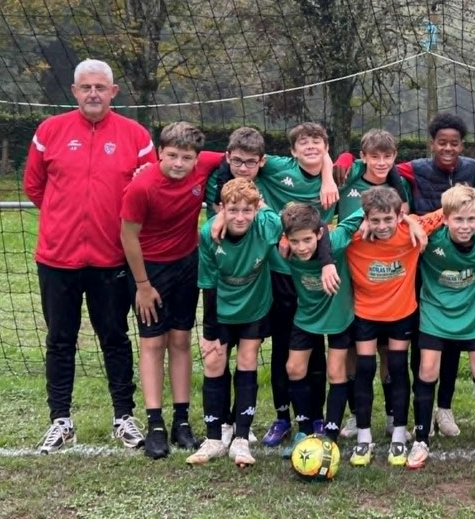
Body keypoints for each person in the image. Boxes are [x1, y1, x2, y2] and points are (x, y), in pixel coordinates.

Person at [334, 113, 475, 438]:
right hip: (417, 257)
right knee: (419, 343)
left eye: (454, 143)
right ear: (431, 143)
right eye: (441, 142)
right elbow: (380, 166)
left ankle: (443, 408)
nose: (448, 148)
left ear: (462, 145)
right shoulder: (412, 169)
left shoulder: (470, 169)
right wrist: (347, 158)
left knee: (449, 342)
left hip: (446, 248)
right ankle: (375, 415)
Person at [24, 59, 154, 454]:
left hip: (111, 259)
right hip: (57, 258)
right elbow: (34, 186)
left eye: (100, 87)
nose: (93, 93)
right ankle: (60, 421)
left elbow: (149, 191)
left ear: (113, 92)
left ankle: (123, 417)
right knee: (59, 340)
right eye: (86, 87)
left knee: (114, 337)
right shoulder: (50, 131)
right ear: (74, 91)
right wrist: (64, 219)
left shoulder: (135, 135)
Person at [207, 124, 339, 447]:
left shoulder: (332, 176)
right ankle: (282, 418)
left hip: (311, 274)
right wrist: (220, 213)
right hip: (279, 274)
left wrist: (328, 175)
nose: (311, 148)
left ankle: (315, 416)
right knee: (282, 347)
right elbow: (229, 163)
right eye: (303, 143)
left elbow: (342, 159)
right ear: (291, 151)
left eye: (318, 143)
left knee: (314, 347)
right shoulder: (275, 166)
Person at [119, 122, 221, 458]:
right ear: (159, 152)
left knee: (180, 340)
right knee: (152, 343)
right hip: (150, 270)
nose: (179, 163)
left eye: (186, 157)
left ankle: (181, 421)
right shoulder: (142, 186)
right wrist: (142, 285)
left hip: (187, 265)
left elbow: (242, 156)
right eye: (172, 155)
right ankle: (155, 425)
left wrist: (328, 165)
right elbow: (128, 236)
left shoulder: (204, 166)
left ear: (197, 159)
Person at [408, 185, 475, 469]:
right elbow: (403, 219)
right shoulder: (429, 237)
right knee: (427, 370)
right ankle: (421, 439)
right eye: (458, 219)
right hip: (435, 315)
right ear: (445, 219)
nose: (465, 226)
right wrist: (414, 222)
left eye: (471, 219)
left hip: (473, 318)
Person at [188, 178, 282, 467]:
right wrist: (210, 333)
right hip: (222, 307)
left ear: (256, 210)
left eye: (246, 210)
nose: (240, 217)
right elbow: (208, 284)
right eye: (233, 210)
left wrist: (258, 204)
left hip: (255, 305)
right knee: (213, 361)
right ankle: (214, 439)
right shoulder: (209, 234)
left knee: (247, 360)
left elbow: (277, 215)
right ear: (221, 210)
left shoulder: (267, 225)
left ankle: (241, 438)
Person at [334, 129, 411, 441]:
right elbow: (333, 169)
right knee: (353, 350)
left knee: (387, 351)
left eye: (387, 156)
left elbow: (406, 214)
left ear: (394, 158)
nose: (381, 162)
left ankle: (393, 415)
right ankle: (356, 414)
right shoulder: (348, 175)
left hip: (388, 278)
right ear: (362, 157)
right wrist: (343, 159)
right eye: (374, 156)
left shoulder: (398, 184)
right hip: (350, 275)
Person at [279, 203, 364, 456]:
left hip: (339, 316)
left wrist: (327, 261)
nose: (302, 247)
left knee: (336, 371)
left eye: (307, 239)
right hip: (306, 315)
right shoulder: (284, 249)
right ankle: (304, 431)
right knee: (293, 368)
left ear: (318, 234)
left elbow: (363, 209)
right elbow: (264, 215)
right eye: (295, 241)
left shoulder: (335, 242)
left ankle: (330, 437)